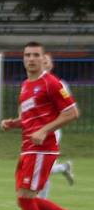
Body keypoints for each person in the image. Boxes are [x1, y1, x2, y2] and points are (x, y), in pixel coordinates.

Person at [1, 41, 87, 210]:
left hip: (42, 148)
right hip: (28, 147)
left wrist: (44, 131)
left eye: (35, 55)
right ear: (23, 58)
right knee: (24, 199)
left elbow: (72, 113)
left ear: (43, 58)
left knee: (27, 197)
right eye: (27, 55)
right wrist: (16, 123)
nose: (31, 59)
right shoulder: (25, 85)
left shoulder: (51, 83)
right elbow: (34, 117)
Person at [38, 52, 74, 199]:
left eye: (47, 62)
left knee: (42, 169)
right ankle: (64, 167)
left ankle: (42, 203)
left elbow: (69, 109)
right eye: (43, 61)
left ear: (52, 65)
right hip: (36, 132)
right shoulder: (31, 84)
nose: (45, 64)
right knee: (38, 168)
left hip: (52, 131)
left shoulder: (60, 84)